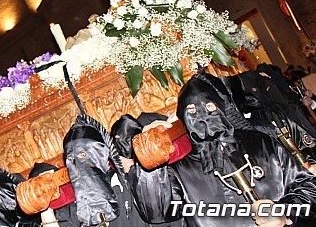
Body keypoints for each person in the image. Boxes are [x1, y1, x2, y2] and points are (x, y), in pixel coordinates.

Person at [131, 71, 316, 227]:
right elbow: (156, 212)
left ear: (221, 108)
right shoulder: (182, 170)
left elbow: (309, 187)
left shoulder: (261, 144)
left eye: (210, 106)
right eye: (192, 112)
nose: (203, 117)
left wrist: (285, 213)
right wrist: (151, 161)